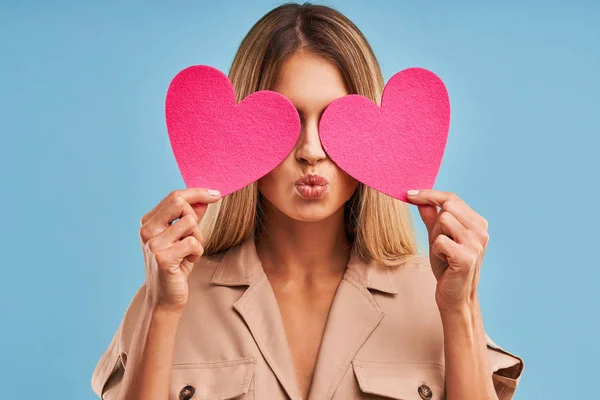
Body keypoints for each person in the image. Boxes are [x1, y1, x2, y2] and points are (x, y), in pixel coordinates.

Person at [91, 3, 524, 400]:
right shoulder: (171, 298)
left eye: (336, 120)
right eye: (287, 120)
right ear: (243, 132)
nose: (311, 150)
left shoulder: (435, 295)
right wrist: (161, 309)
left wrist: (461, 308)